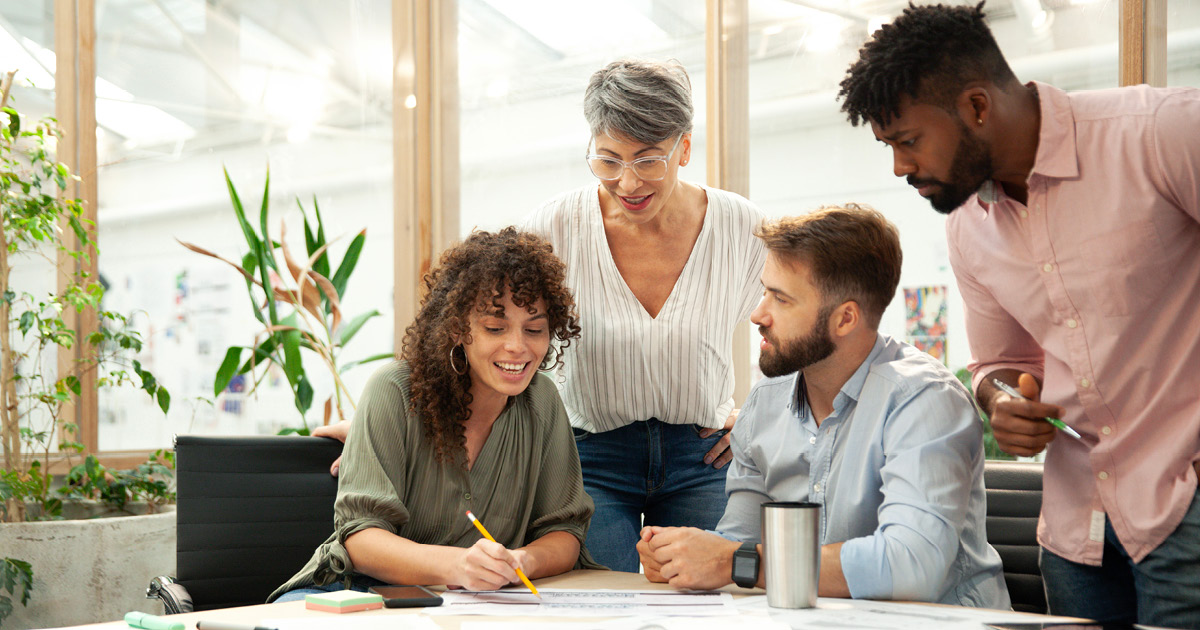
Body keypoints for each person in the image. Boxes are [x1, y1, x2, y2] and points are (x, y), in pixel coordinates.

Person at [838, 3, 1200, 627]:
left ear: (977, 107)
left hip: (1185, 508)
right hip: (1075, 531)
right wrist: (1002, 401)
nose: (899, 167)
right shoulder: (968, 229)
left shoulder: (1162, 133)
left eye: (908, 141)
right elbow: (999, 365)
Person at [637, 205, 1010, 608]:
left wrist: (733, 561)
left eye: (780, 299)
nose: (758, 314)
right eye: (765, 291)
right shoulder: (767, 402)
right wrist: (683, 558)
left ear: (845, 318)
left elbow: (912, 565)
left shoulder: (924, 401)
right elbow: (739, 543)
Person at [522, 59, 767, 572]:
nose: (627, 182)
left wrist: (761, 419)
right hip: (590, 456)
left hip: (701, 458)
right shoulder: (556, 226)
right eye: (608, 160)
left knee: (706, 605)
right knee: (600, 604)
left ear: (684, 147)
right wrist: (397, 417)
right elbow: (493, 336)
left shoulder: (739, 226)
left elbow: (796, 331)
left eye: (648, 159)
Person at [270, 228, 599, 602]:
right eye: (495, 327)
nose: (517, 347)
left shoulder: (543, 401)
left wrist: (522, 561)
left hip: (472, 604)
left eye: (535, 329)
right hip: (356, 593)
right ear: (458, 328)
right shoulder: (394, 391)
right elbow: (361, 539)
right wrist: (458, 566)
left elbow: (565, 531)